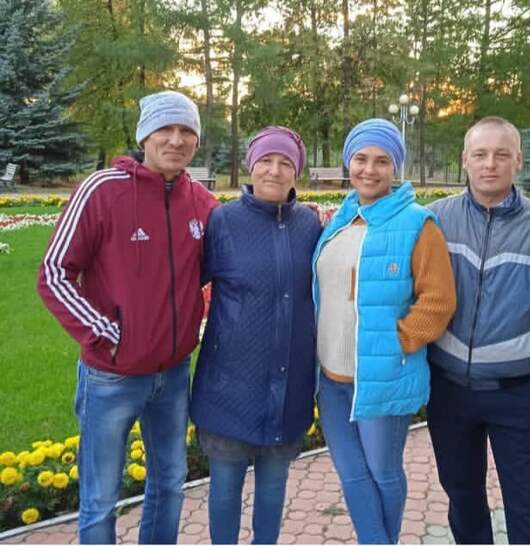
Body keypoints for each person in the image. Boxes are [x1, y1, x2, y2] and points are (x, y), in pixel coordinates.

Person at [37, 91, 219, 544]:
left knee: (169, 484)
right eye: (165, 129)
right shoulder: (102, 191)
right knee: (100, 498)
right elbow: (54, 273)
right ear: (144, 136)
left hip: (173, 374)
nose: (176, 140)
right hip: (111, 375)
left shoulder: (202, 202)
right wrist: (106, 334)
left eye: (186, 131)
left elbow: (229, 265)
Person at [426, 116, 530, 544]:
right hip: (450, 392)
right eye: (480, 154)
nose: (490, 164)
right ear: (464, 160)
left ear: (518, 160)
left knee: (529, 510)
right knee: (463, 502)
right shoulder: (435, 220)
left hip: (520, 393)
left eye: (502, 154)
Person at [312, 118, 456, 544]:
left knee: (382, 472)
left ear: (395, 167)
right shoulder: (340, 220)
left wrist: (397, 342)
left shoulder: (418, 223)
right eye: (360, 159)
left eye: (381, 161)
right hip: (331, 379)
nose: (369, 169)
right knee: (353, 475)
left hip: (383, 377)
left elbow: (438, 300)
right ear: (348, 162)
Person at [190, 126, 321, 544]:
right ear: (251, 166)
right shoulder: (223, 221)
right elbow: (186, 283)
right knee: (225, 489)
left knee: (273, 488)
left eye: (285, 163)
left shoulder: (309, 225)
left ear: (296, 172)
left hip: (288, 389)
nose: (274, 171)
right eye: (266, 161)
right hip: (229, 386)